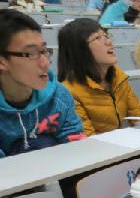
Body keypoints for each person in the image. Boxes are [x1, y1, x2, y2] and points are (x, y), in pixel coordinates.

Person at [0, 10, 82, 158]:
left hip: (57, 168)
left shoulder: (59, 96)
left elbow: (76, 145)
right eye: (31, 54)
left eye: (44, 51)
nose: (45, 63)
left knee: (44, 142)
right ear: (2, 61)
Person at [58, 19, 140, 136]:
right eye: (98, 38)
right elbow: (88, 139)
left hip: (119, 142)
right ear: (79, 50)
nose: (109, 42)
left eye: (106, 36)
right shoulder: (69, 91)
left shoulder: (118, 76)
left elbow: (139, 119)